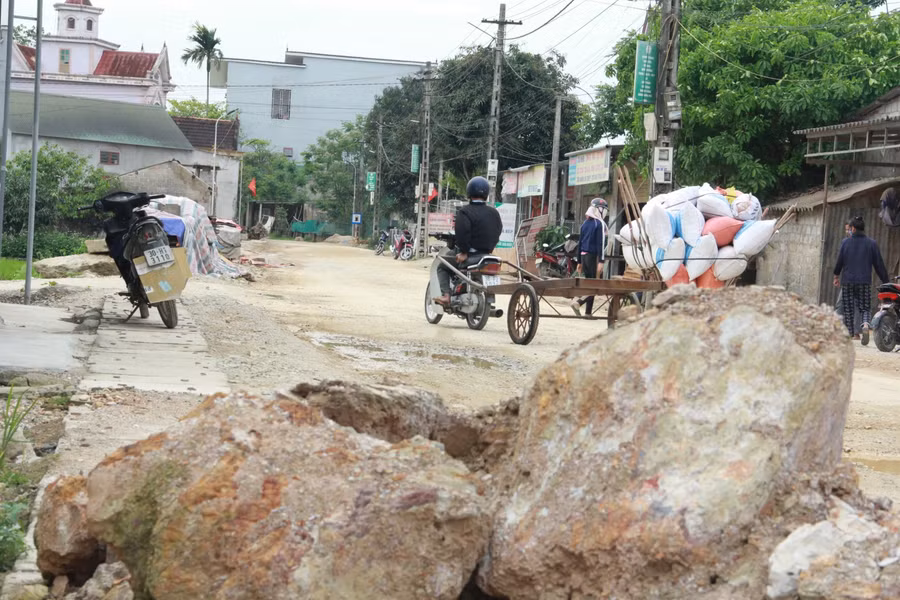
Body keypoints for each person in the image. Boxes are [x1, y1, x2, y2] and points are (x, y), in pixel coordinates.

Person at [435, 176, 503, 305]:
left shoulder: (465, 212)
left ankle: (446, 296)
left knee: (442, 266)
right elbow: (497, 231)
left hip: (470, 255)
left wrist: (464, 252)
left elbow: (462, 233)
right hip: (486, 255)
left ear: (469, 192)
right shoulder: (494, 213)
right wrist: (489, 249)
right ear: (486, 194)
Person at [833, 215, 889, 344]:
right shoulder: (871, 243)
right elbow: (879, 265)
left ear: (852, 229)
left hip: (847, 282)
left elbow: (839, 261)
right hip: (864, 282)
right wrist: (886, 281)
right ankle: (864, 325)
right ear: (863, 228)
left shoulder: (845, 242)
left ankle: (852, 334)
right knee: (864, 307)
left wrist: (836, 275)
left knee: (848, 308)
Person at [570, 198, 609, 317]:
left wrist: (579, 262)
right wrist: (601, 261)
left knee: (589, 283)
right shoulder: (599, 223)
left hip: (584, 257)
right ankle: (578, 302)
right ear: (600, 210)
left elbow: (580, 244)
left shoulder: (585, 224)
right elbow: (600, 244)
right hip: (593, 257)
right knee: (593, 284)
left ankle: (588, 312)